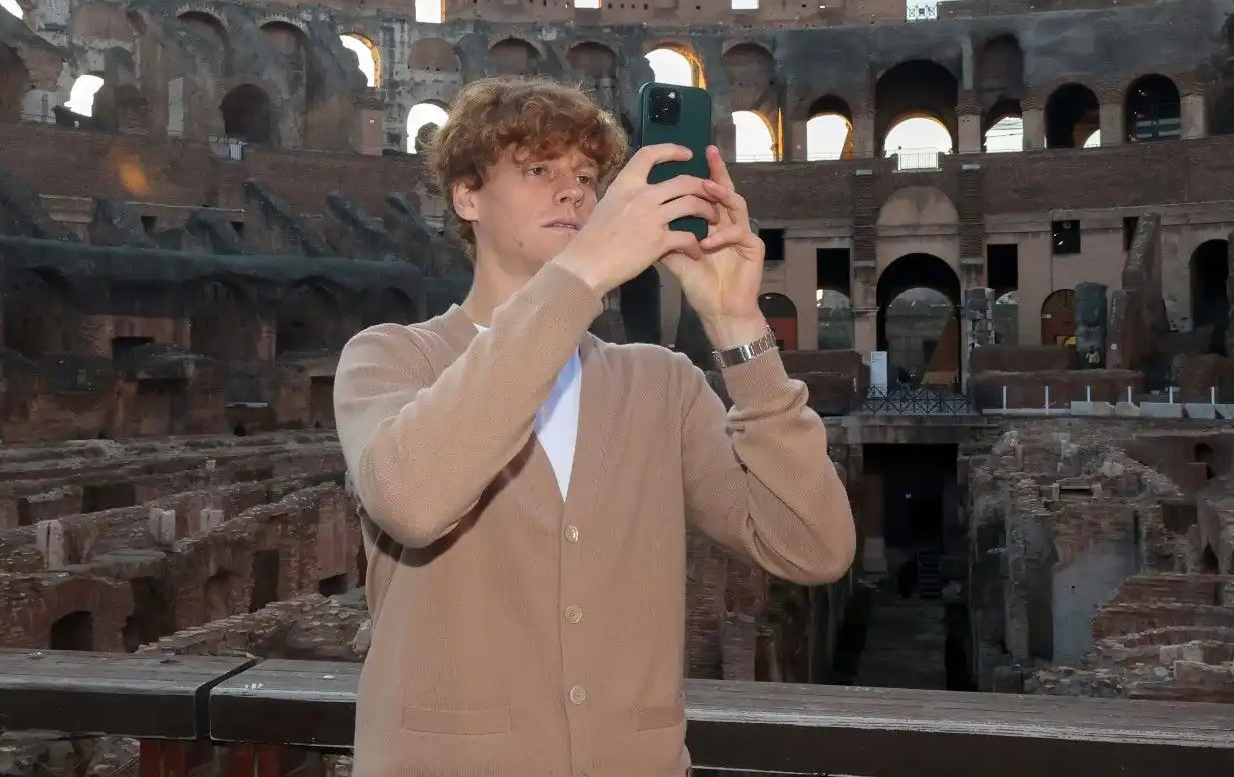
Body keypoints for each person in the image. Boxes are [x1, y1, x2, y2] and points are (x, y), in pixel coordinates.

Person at [333, 76, 857, 776]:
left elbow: (813, 546)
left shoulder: (660, 384)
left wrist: (739, 326)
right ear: (467, 197)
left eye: (585, 175)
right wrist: (581, 275)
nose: (574, 191)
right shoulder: (390, 357)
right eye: (539, 169)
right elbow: (413, 499)